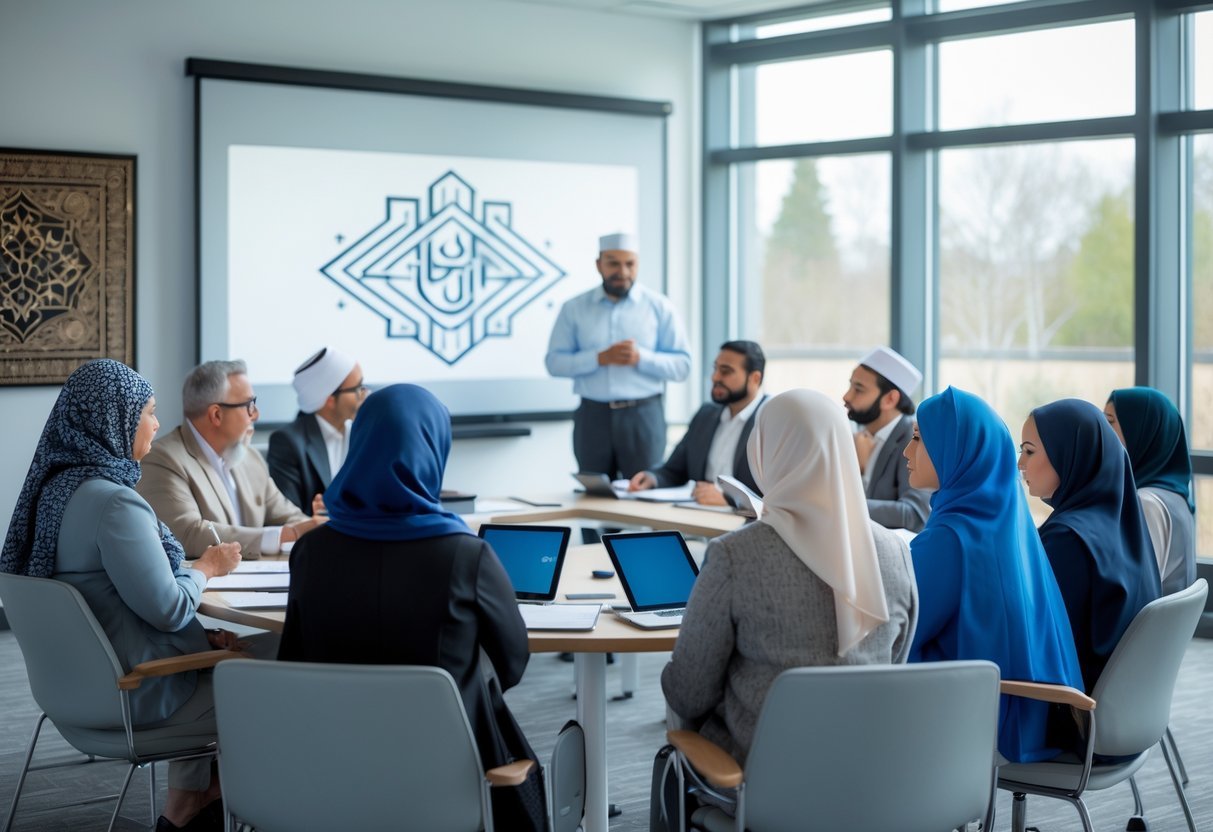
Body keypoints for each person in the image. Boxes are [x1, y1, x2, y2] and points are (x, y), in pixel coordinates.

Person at [277, 384, 544, 831]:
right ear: (434, 449)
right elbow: (513, 664)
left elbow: (294, 659)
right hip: (451, 769)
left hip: (332, 770)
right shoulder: (466, 555)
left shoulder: (311, 552)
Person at [0, 359, 244, 832]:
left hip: (71, 695)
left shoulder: (52, 492)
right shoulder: (113, 502)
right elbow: (170, 609)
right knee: (268, 673)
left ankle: (188, 806)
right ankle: (222, 798)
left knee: (224, 656)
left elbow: (113, 604)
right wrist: (205, 568)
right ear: (114, 418)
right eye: (149, 411)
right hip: (135, 695)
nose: (156, 422)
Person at [661, 389, 918, 765]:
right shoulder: (895, 552)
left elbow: (688, 692)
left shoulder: (735, 555)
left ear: (766, 453)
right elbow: (894, 663)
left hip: (762, 780)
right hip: (872, 775)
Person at [906, 386, 1082, 763]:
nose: (907, 451)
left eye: (919, 439)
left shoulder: (950, 538)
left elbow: (898, 630)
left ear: (955, 450)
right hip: (1031, 712)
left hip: (982, 725)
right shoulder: (1008, 521)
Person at [1021, 399, 1162, 693]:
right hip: (1127, 699)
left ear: (1070, 455)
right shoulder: (1122, 522)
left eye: (1029, 451)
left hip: (1071, 706)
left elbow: (1038, 639)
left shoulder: (1067, 538)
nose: (1020, 463)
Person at [137, 360, 319, 559]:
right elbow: (187, 533)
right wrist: (287, 534)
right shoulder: (163, 459)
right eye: (249, 405)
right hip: (204, 588)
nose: (256, 415)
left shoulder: (251, 458)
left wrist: (318, 528)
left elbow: (290, 516)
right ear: (216, 414)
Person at [545, 232, 691, 479]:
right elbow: (554, 363)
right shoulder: (574, 308)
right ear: (598, 265)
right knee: (594, 496)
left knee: (645, 495)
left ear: (637, 264)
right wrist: (598, 358)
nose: (622, 271)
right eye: (613, 263)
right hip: (593, 417)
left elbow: (682, 366)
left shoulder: (659, 307)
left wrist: (641, 357)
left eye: (629, 264)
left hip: (643, 416)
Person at [628, 340, 767, 506]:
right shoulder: (706, 415)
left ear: (755, 379)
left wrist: (729, 499)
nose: (715, 377)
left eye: (726, 371)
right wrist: (652, 478)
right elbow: (674, 470)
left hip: (744, 524)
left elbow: (779, 494)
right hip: (697, 515)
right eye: (715, 369)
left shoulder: (773, 422)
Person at [1105, 387, 1197, 596]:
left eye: (1109, 421)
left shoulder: (1148, 502)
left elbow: (1137, 590)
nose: (1101, 430)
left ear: (1140, 431)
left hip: (1146, 627)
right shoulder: (1175, 496)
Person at [267, 347, 367, 515]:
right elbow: (287, 515)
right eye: (357, 389)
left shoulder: (363, 434)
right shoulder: (287, 442)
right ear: (330, 400)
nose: (363, 395)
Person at [843, 346, 930, 532]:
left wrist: (842, 506)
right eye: (850, 385)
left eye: (859, 389)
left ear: (890, 399)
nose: (847, 396)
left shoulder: (912, 439)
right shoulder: (861, 438)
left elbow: (914, 514)